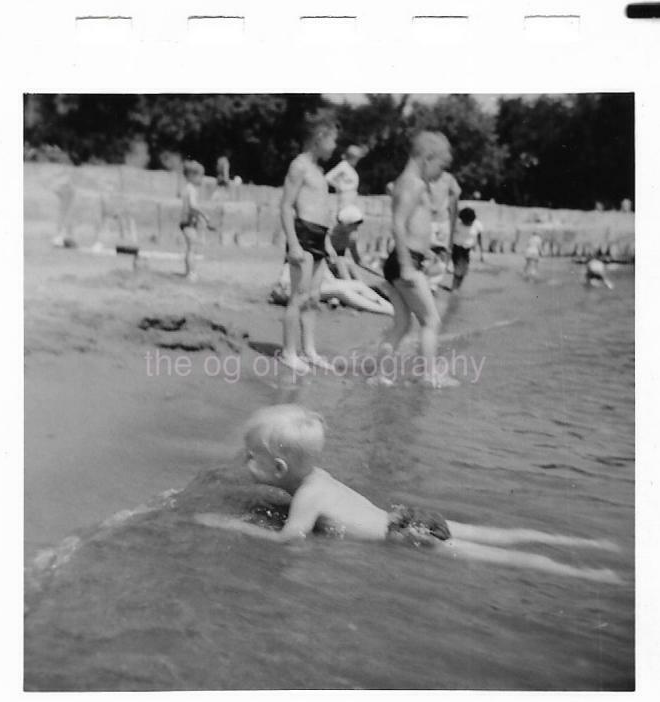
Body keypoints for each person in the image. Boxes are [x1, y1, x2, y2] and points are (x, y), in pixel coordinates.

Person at [194, 406, 621, 583]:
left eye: (250, 457)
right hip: (408, 518)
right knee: (492, 535)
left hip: (406, 538)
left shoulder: (305, 497)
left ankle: (588, 576)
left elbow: (291, 539)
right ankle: (580, 543)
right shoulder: (318, 478)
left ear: (278, 470)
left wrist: (234, 526)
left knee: (493, 557)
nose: (243, 460)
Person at [380, 131, 458, 387]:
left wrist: (427, 251)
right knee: (431, 320)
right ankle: (428, 375)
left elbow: (414, 224)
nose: (440, 175)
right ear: (427, 157)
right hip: (405, 263)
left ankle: (382, 375)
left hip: (407, 259)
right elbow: (398, 224)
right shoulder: (413, 183)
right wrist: (406, 264)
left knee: (402, 323)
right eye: (440, 167)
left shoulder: (408, 182)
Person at [279, 110, 339, 374]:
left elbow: (322, 210)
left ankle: (309, 350)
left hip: (318, 237)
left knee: (313, 298)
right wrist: (293, 243)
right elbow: (285, 206)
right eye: (333, 140)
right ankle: (289, 352)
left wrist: (327, 243)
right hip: (302, 235)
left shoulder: (318, 170)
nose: (335, 146)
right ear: (319, 138)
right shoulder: (299, 165)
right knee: (298, 296)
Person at [425, 167, 462, 291]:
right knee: (425, 250)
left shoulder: (448, 178)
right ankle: (425, 279)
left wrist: (446, 206)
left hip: (442, 220)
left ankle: (433, 284)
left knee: (441, 251)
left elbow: (456, 195)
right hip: (426, 219)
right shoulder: (424, 174)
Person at [179, 160, 214, 281]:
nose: (202, 179)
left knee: (190, 248)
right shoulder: (192, 190)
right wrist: (204, 215)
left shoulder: (186, 188)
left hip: (185, 223)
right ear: (192, 176)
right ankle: (191, 273)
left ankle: (188, 272)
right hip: (189, 224)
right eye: (200, 176)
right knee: (191, 249)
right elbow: (193, 206)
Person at [450, 207, 484, 290]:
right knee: (458, 268)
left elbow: (479, 238)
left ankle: (458, 287)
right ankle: (454, 288)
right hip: (457, 248)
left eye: (469, 222)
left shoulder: (477, 225)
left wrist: (482, 252)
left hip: (467, 250)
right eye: (465, 221)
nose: (467, 223)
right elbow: (450, 235)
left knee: (464, 271)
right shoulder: (457, 224)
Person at [325, 144, 366, 211]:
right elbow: (328, 178)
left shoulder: (350, 168)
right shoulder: (343, 165)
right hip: (344, 199)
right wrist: (339, 187)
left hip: (351, 199)